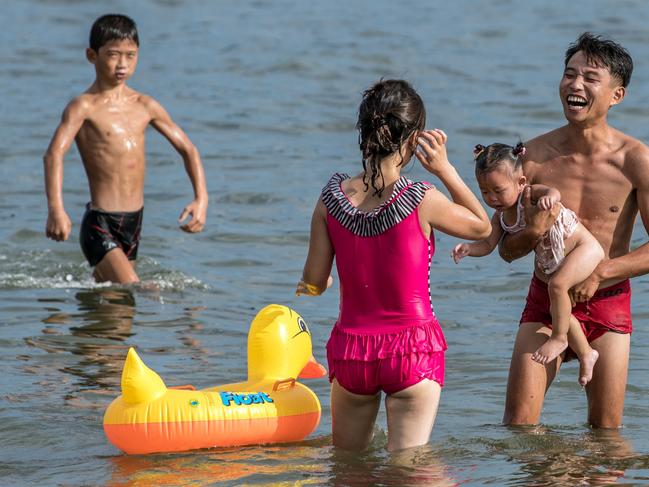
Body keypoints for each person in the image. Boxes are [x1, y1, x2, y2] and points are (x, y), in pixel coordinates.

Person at [296, 79, 491, 451]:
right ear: (414, 137)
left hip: (352, 351)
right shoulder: (422, 198)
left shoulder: (331, 199)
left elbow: (314, 280)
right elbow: (481, 227)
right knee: (409, 470)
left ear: (364, 131)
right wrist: (445, 170)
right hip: (412, 350)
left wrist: (314, 286)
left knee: (348, 472)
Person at [498, 32, 649, 428]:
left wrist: (601, 272)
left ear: (617, 95)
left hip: (608, 300)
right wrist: (532, 231)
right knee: (518, 429)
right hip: (544, 298)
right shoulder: (531, 158)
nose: (575, 84)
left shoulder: (634, 159)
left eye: (590, 77)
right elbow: (507, 250)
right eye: (569, 74)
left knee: (605, 436)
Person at [43, 14, 208, 283]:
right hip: (100, 224)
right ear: (91, 55)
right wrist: (56, 210)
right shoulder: (83, 107)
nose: (122, 64)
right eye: (113, 55)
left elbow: (188, 149)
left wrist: (201, 199)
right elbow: (53, 155)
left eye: (131, 55)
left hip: (134, 223)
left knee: (116, 314)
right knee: (136, 288)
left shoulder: (145, 105)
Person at [452, 142, 603, 386]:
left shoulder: (530, 195)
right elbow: (489, 244)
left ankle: (560, 339)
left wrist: (549, 199)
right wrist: (469, 249)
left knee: (556, 287)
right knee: (559, 306)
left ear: (520, 183)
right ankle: (587, 354)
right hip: (561, 260)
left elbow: (553, 192)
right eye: (485, 192)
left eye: (498, 191)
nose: (492, 198)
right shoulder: (500, 217)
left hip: (584, 248)